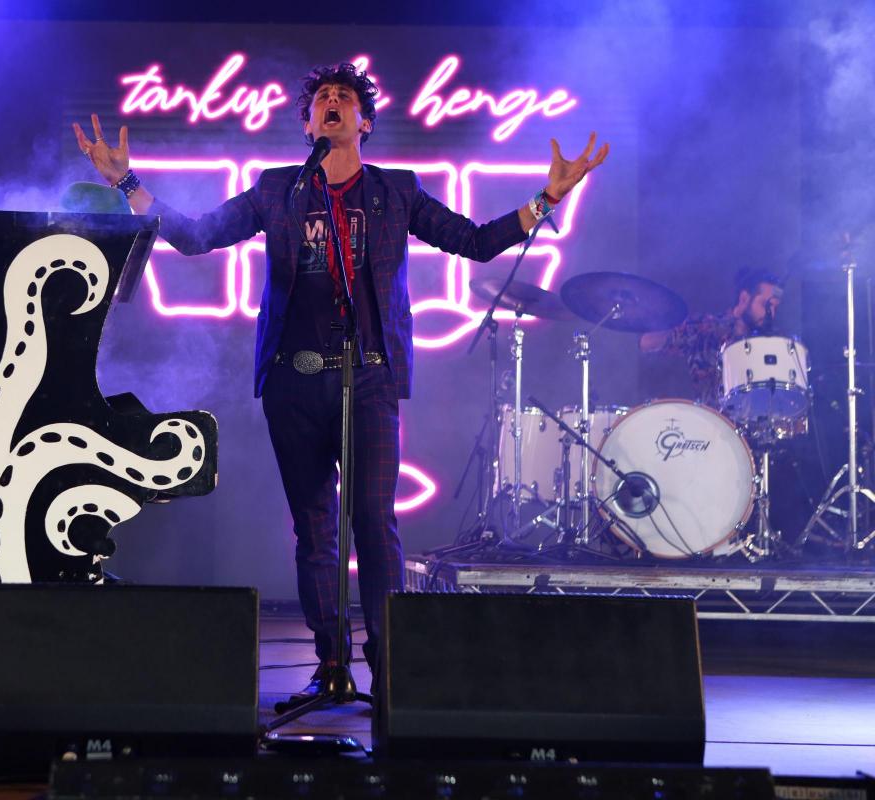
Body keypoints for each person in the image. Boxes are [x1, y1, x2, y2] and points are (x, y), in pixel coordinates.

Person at [75, 63, 607, 698]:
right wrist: (127, 183)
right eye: (322, 98)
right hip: (293, 387)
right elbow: (194, 237)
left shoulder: (397, 192)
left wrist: (546, 199)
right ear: (308, 124)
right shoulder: (276, 191)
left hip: (371, 381)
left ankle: (392, 669)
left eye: (344, 96)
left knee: (376, 526)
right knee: (314, 529)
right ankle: (331, 664)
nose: (331, 102)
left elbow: (474, 241)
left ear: (365, 121)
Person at [640, 268, 785, 405]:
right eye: (766, 305)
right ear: (744, 299)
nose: (771, 314)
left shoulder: (769, 345)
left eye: (775, 308)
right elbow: (647, 342)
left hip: (753, 427)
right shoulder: (707, 327)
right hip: (710, 424)